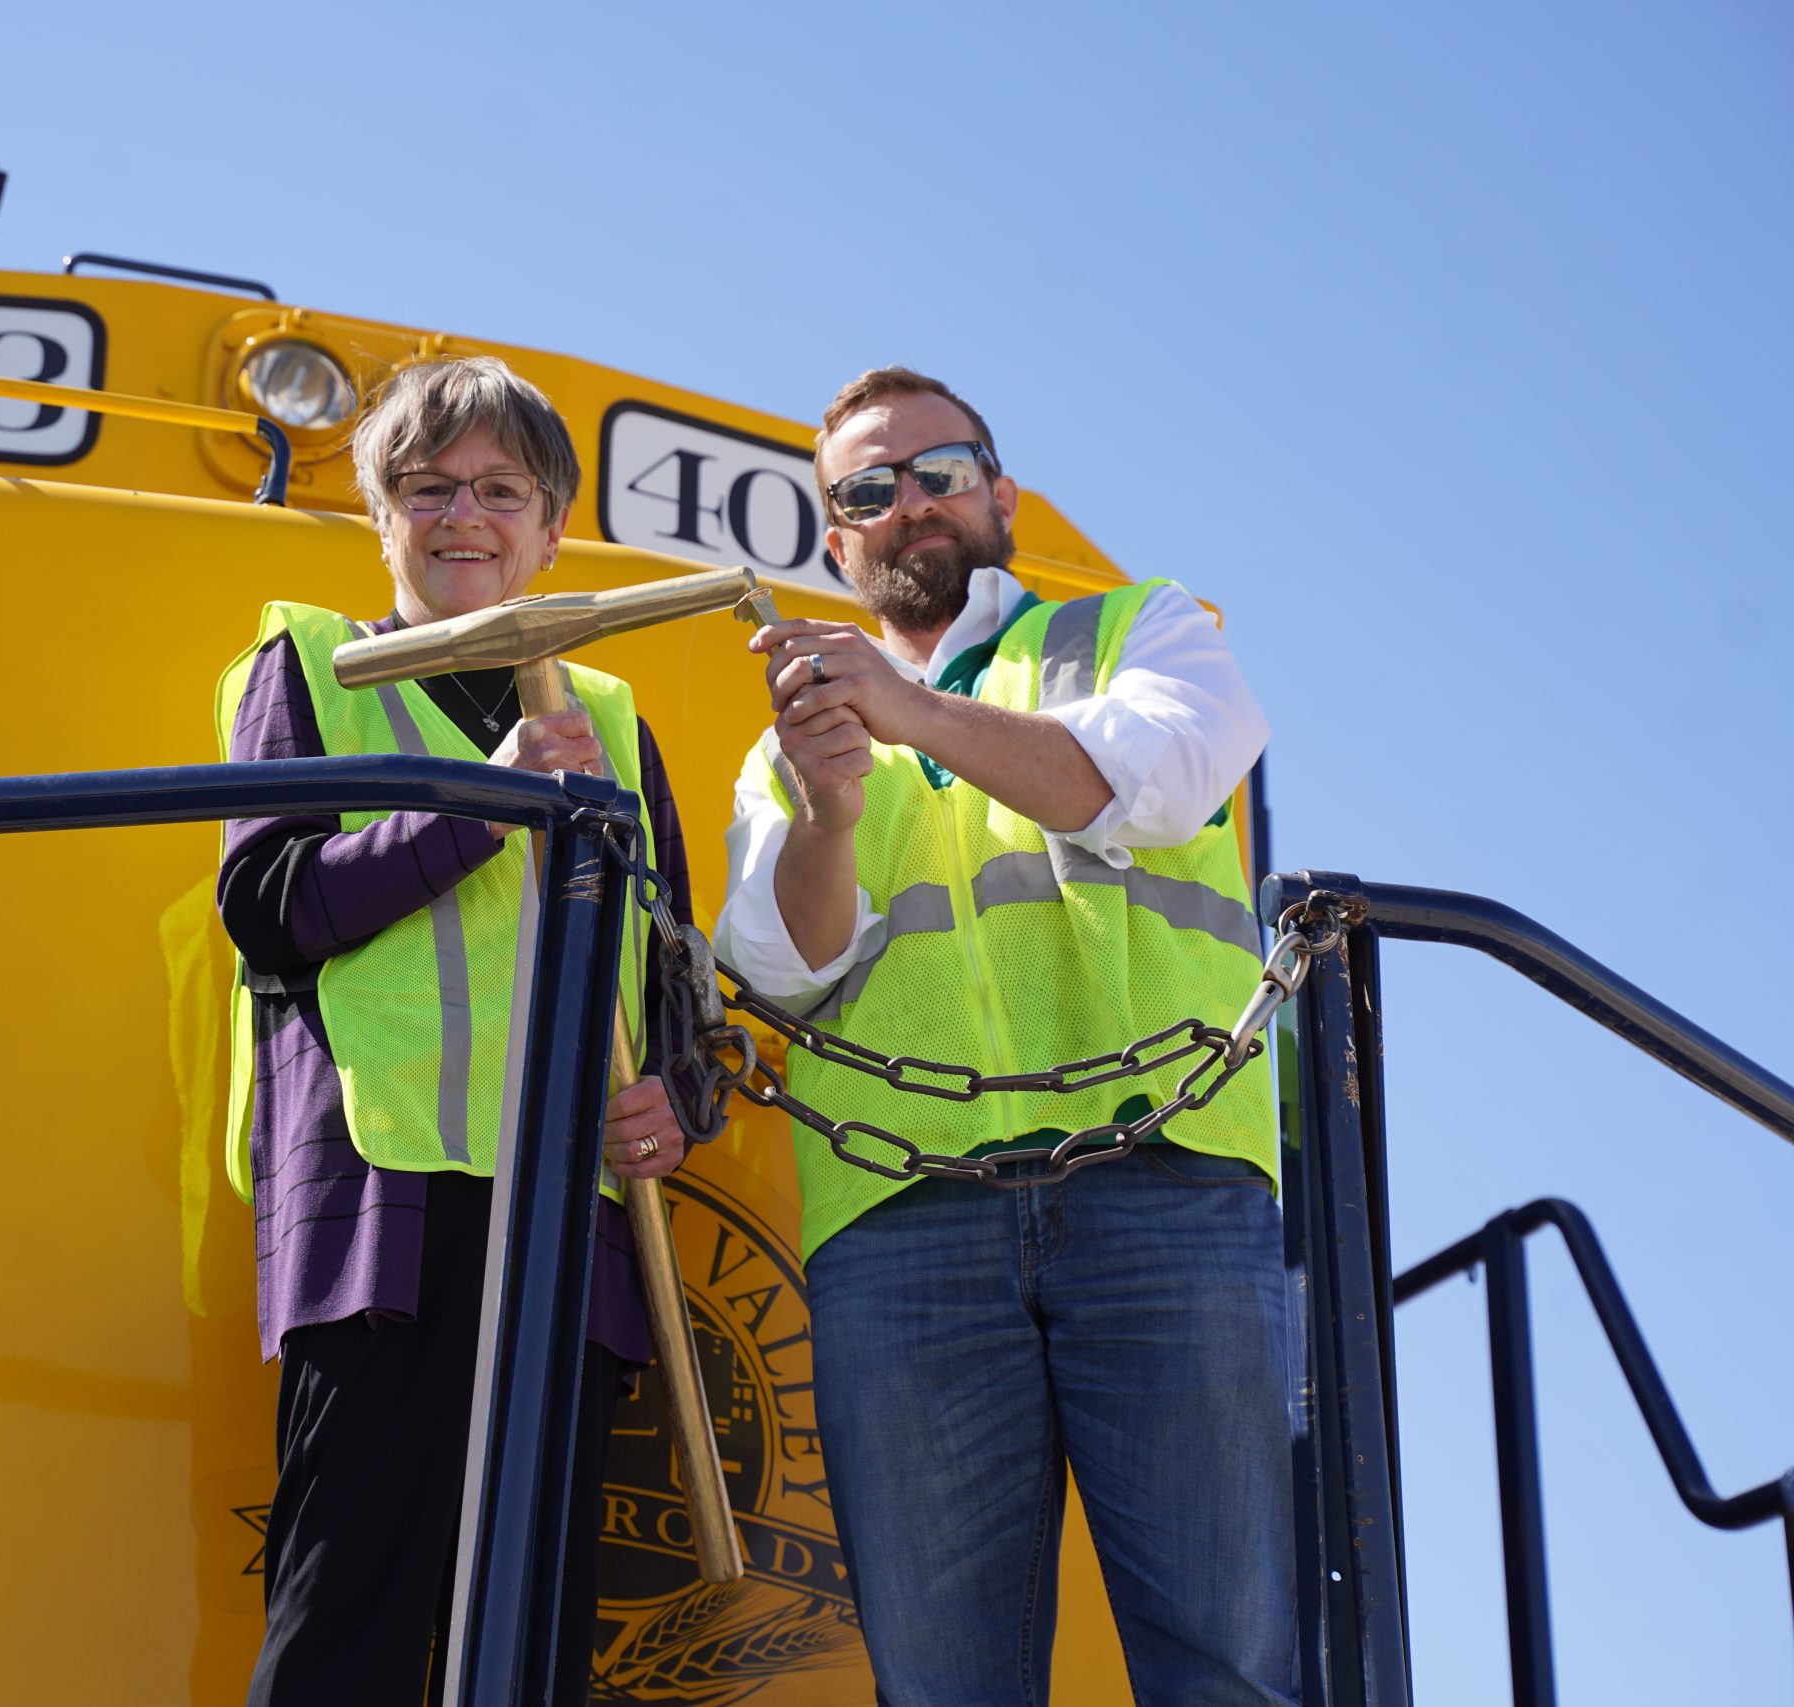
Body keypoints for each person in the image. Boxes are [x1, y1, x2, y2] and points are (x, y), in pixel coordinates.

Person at [714, 366, 1294, 1705]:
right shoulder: (789, 751)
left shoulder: (1141, 629)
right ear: (835, 538)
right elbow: (780, 969)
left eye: (941, 469)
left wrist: (906, 711)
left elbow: (1162, 781)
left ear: (1000, 492)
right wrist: (826, 816)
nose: (911, 502)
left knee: (1230, 1670)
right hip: (903, 1230)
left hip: (1166, 1191)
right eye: (869, 488)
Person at [214, 355, 694, 1707]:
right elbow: (269, 905)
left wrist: (673, 1096)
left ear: (550, 529)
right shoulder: (309, 665)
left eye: (499, 490)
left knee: (535, 1642)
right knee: (345, 1620)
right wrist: (477, 806)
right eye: (428, 489)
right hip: (386, 1213)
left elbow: (670, 971)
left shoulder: (613, 722)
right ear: (380, 515)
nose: (463, 517)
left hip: (574, 1224)